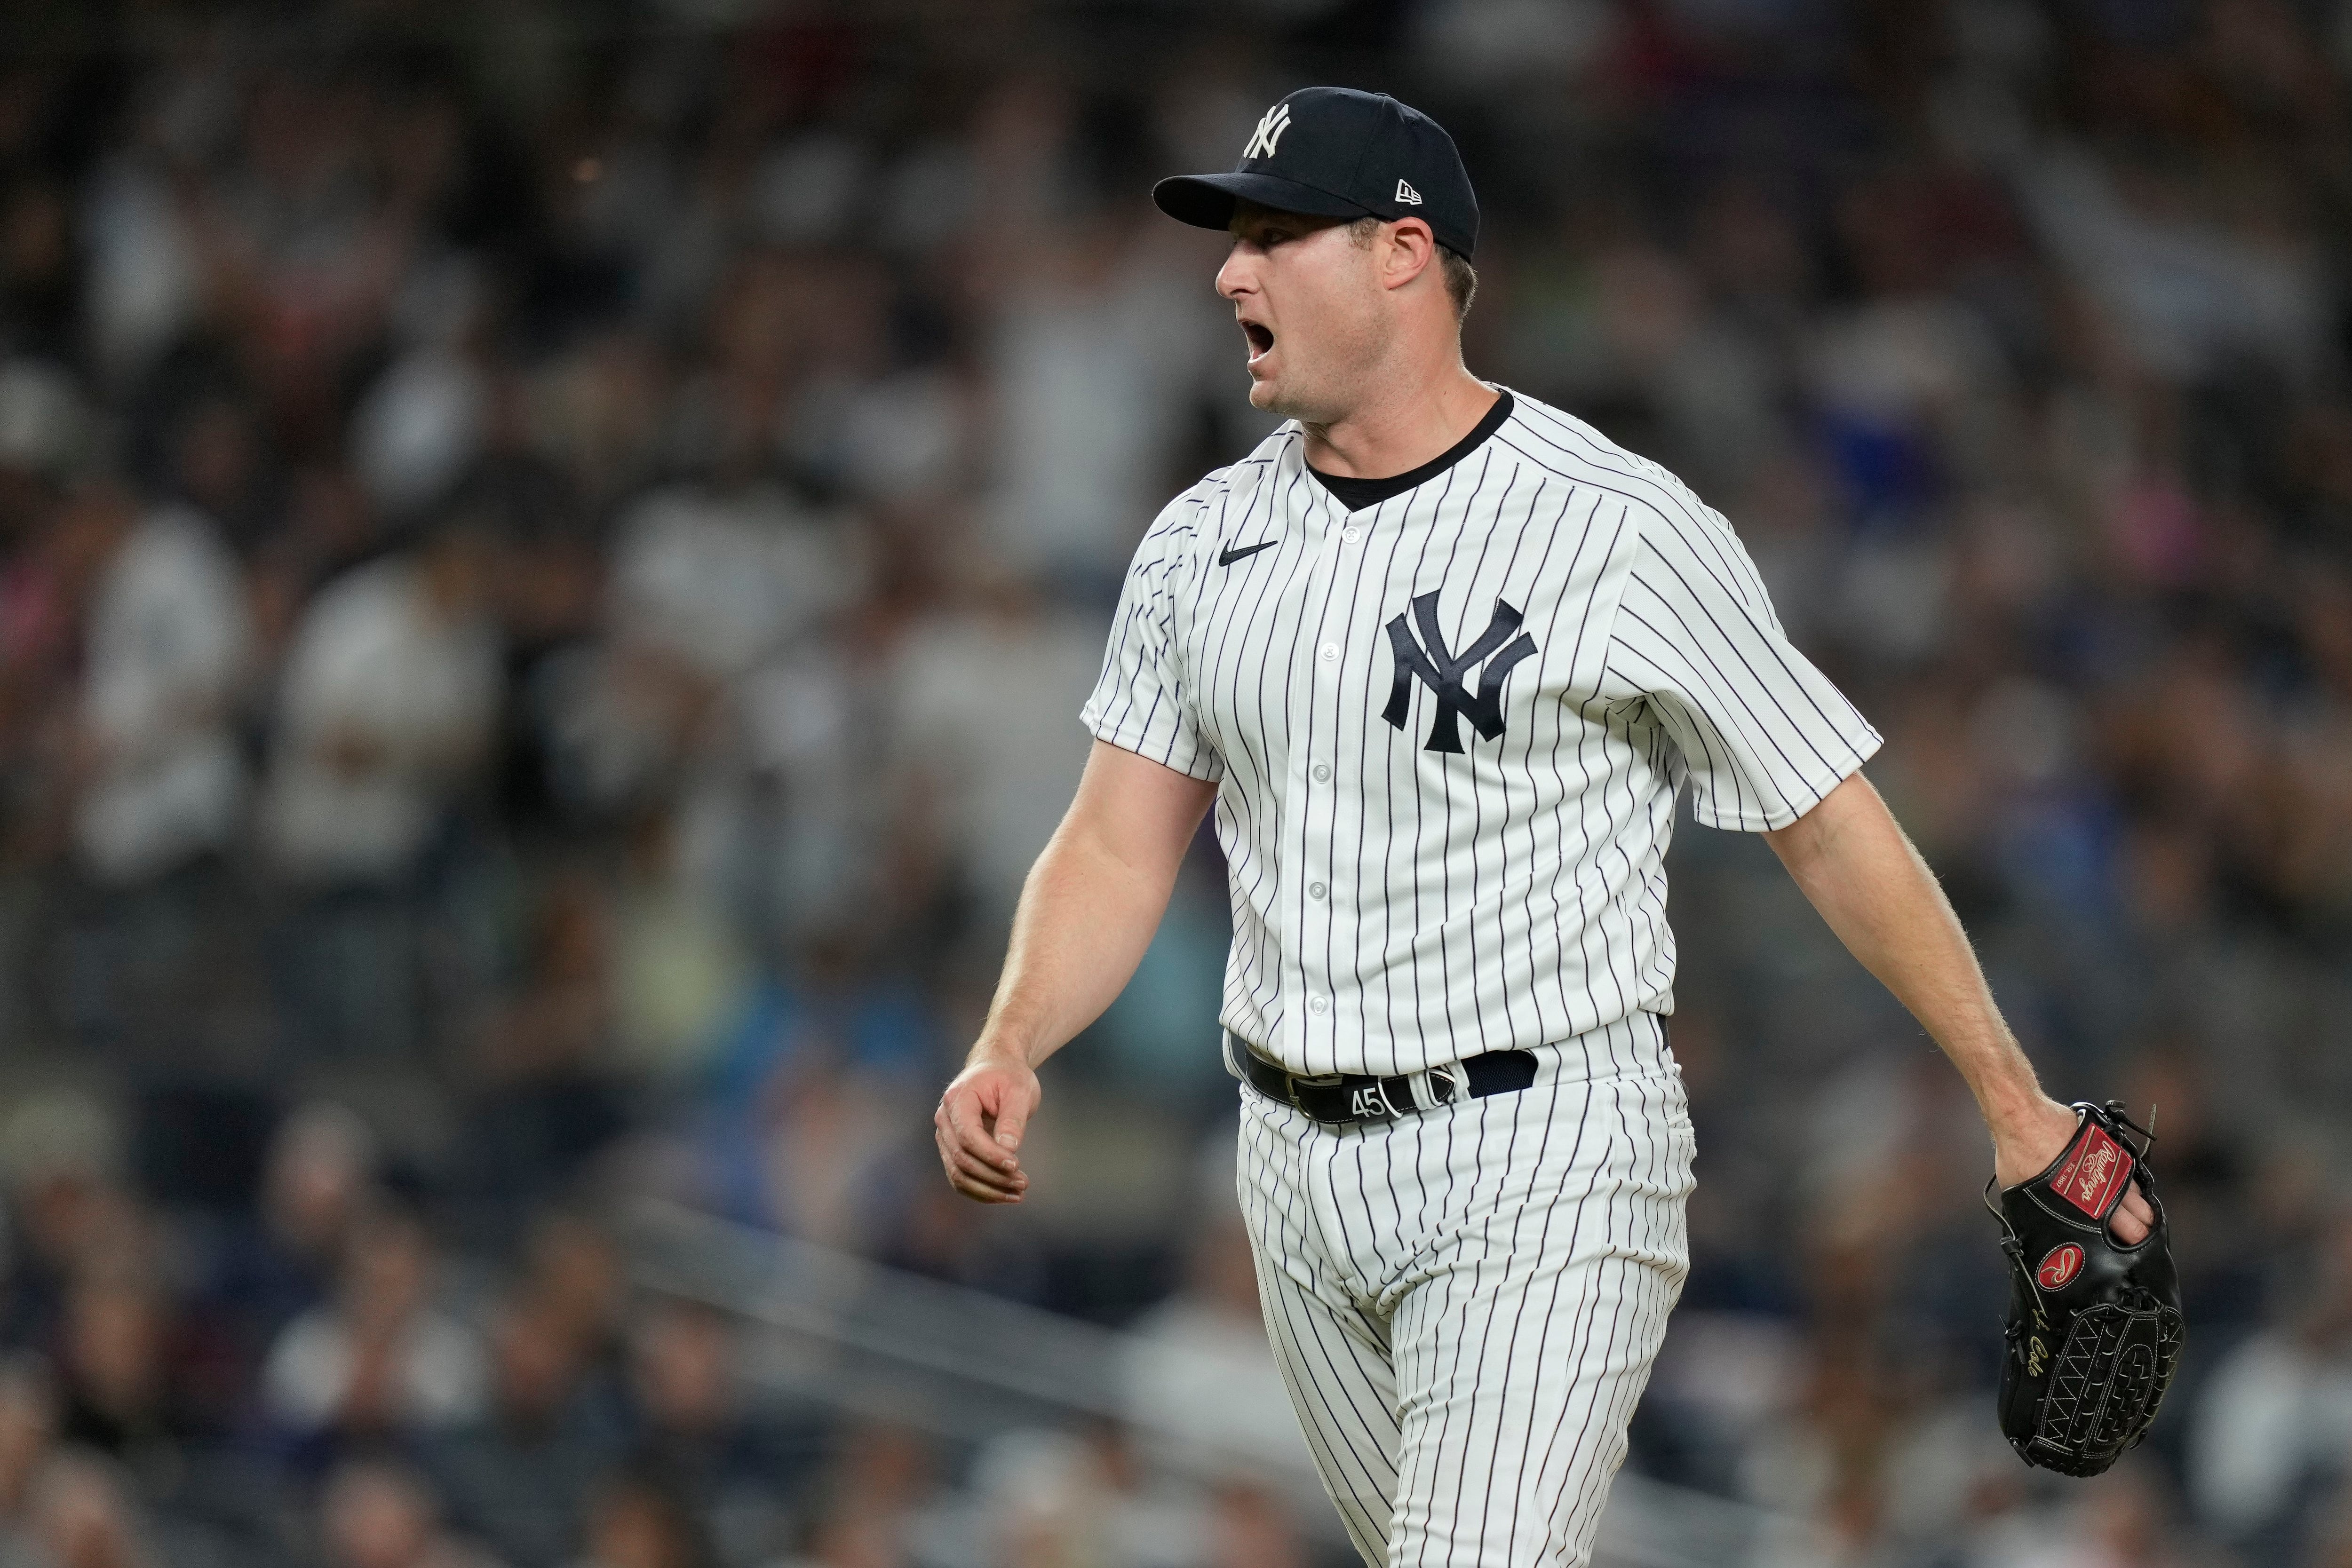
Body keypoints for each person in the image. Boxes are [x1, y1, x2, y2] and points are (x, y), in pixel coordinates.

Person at [932, 85, 2154, 1567]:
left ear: (1401, 253)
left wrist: (2018, 1108)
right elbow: (1120, 843)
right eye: (1231, 239)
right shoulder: (1201, 541)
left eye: (1272, 235)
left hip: (1544, 1149)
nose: (1228, 273)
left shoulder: (1615, 525)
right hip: (1290, 1172)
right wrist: (1011, 1038)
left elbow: (1827, 818)